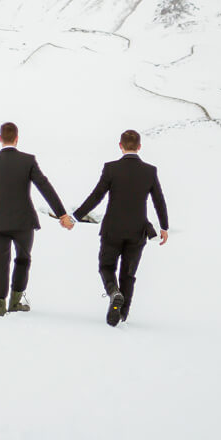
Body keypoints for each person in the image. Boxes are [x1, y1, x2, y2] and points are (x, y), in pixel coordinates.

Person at [0, 121, 74, 316]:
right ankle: (15, 302)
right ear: (17, 139)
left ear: (0, 138)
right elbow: (45, 186)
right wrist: (62, 214)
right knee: (23, 259)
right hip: (24, 222)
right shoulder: (28, 161)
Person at [71, 129, 169, 326]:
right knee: (128, 274)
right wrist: (164, 227)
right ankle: (122, 313)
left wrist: (75, 216)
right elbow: (159, 200)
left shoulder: (111, 169)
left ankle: (113, 292)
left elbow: (97, 196)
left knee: (106, 266)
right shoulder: (149, 171)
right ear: (139, 147)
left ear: (120, 146)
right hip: (137, 230)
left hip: (112, 229)